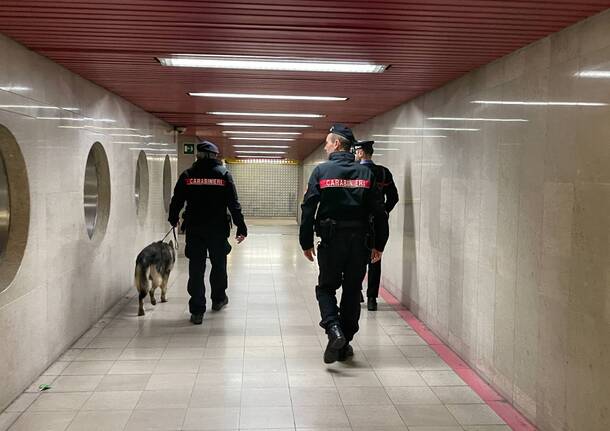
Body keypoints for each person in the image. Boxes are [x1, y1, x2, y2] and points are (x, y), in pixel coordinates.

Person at [300, 124, 389, 364]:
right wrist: (379, 245)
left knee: (326, 288)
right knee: (351, 290)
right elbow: (379, 213)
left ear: (337, 144)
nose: (326, 146)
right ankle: (345, 341)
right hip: (359, 243)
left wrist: (305, 241)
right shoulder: (366, 174)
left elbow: (309, 208)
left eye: (328, 142)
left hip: (330, 241)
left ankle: (334, 330)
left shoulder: (321, 171)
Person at [168, 140, 247, 325]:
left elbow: (177, 199)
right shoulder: (224, 175)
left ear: (198, 156)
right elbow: (233, 204)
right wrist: (241, 227)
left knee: (196, 269)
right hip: (218, 229)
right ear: (214, 156)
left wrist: (173, 218)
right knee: (219, 265)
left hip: (195, 229)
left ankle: (197, 310)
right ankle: (218, 299)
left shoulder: (188, 175)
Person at [353, 140, 399, 311]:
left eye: (356, 151)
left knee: (356, 259)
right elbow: (394, 197)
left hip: (358, 222)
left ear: (361, 153)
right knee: (375, 258)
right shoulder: (383, 173)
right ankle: (372, 298)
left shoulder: (356, 171)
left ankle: (357, 291)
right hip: (378, 223)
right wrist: (384, 211)